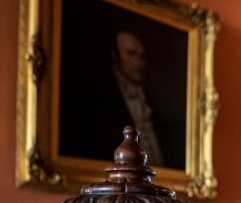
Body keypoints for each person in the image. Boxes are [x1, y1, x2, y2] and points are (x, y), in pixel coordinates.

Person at [58, 29, 182, 169]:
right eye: (131, 54)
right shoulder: (99, 99)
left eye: (141, 56)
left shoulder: (150, 102)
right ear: (115, 55)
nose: (138, 62)